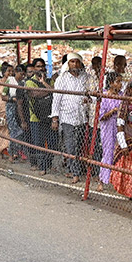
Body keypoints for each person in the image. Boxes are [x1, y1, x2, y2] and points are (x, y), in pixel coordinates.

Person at [51, 54, 92, 183]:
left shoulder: (85, 78)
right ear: (68, 64)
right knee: (70, 145)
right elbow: (56, 99)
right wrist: (55, 118)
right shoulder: (62, 78)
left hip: (81, 116)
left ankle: (74, 168)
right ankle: (75, 172)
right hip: (67, 116)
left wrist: (88, 100)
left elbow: (91, 94)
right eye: (72, 62)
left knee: (79, 145)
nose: (75, 64)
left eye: (77, 62)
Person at [24, 58, 55, 174]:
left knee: (52, 143)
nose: (41, 68)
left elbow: (55, 91)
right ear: (33, 68)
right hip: (36, 118)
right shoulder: (29, 82)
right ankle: (42, 167)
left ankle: (48, 164)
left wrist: (43, 83)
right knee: (39, 143)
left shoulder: (48, 80)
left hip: (50, 116)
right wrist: (50, 90)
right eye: (38, 66)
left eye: (42, 66)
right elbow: (35, 94)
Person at [97, 72, 124, 191]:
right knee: (108, 151)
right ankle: (102, 179)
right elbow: (101, 116)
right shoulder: (105, 96)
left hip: (120, 126)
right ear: (111, 83)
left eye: (121, 82)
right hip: (108, 126)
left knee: (118, 151)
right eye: (118, 82)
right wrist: (113, 110)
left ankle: (116, 180)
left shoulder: (122, 95)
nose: (120, 84)